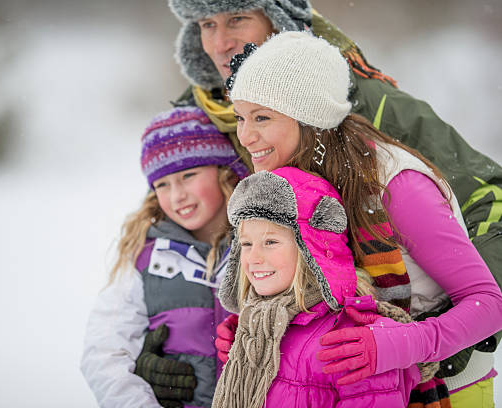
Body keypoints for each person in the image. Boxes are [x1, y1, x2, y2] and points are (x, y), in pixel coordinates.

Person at [161, 1, 502, 405]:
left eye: (263, 118)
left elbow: (489, 303)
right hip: (355, 389)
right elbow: (325, 294)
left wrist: (408, 343)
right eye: (240, 118)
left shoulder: (395, 183)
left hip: (447, 387)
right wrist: (262, 328)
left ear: (309, 118)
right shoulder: (291, 183)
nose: (247, 137)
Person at [212, 165, 428, 407]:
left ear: (311, 249)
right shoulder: (255, 332)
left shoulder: (349, 341)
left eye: (270, 241)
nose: (254, 257)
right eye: (247, 243)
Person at [79, 106, 248, 408]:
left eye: (188, 175)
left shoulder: (261, 244)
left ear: (224, 171)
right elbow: (104, 353)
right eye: (162, 184)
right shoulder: (145, 257)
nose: (176, 195)